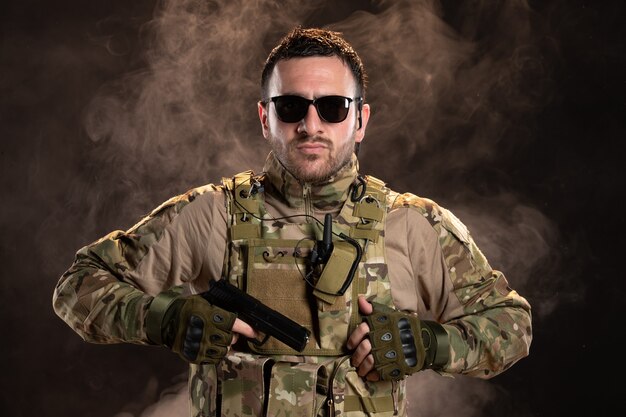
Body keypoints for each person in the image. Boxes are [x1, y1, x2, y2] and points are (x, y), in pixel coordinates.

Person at [53, 27, 532, 417]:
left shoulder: (414, 225)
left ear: (360, 120)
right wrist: (167, 318)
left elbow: (512, 325)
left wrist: (432, 345)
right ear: (265, 118)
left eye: (332, 107)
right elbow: (78, 287)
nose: (310, 124)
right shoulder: (210, 214)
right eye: (290, 106)